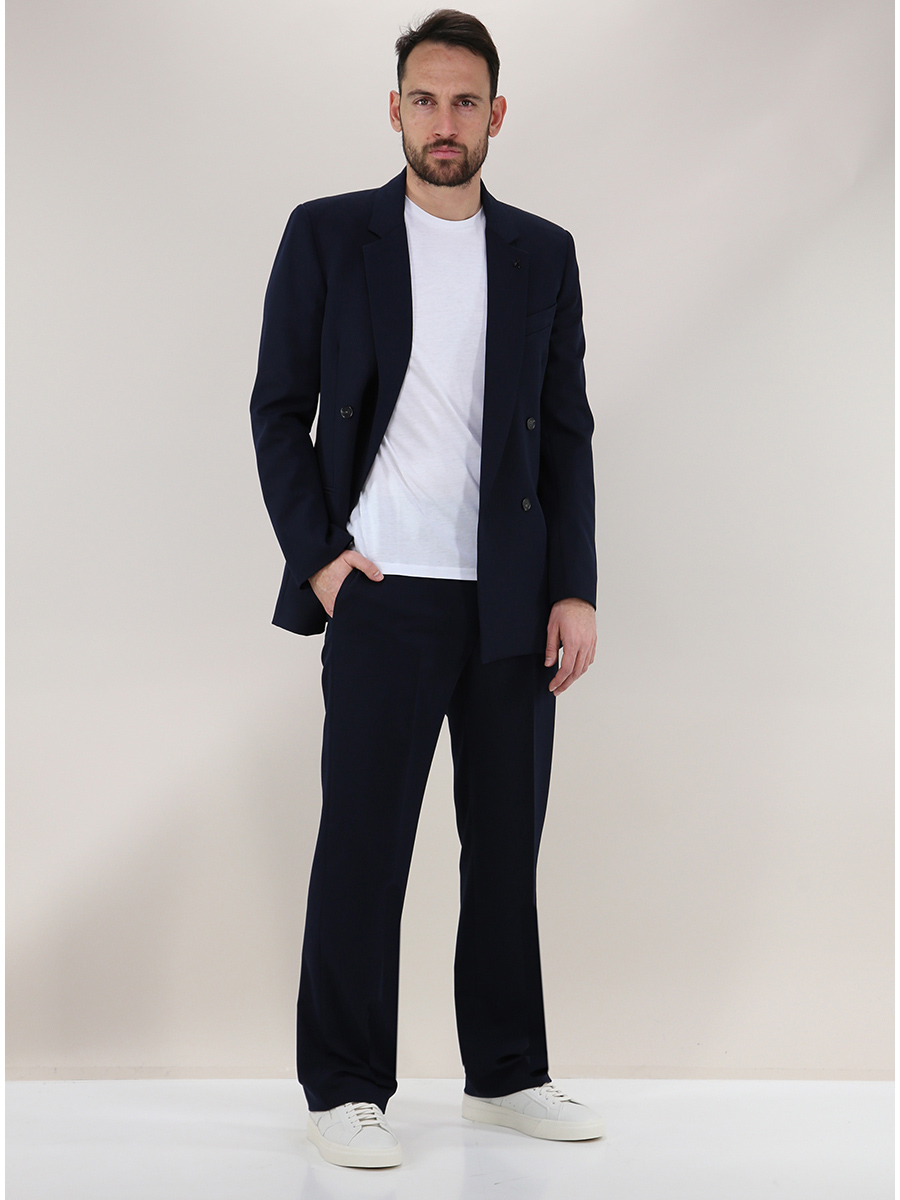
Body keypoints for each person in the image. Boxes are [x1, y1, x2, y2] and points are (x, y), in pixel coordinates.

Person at [250, 8, 602, 1170]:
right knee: (364, 846)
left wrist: (574, 586)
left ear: (497, 115)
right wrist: (321, 557)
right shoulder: (327, 234)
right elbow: (276, 408)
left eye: (463, 102)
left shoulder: (543, 251)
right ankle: (345, 1088)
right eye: (423, 99)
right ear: (393, 109)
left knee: (504, 851)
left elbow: (565, 430)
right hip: (382, 589)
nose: (443, 122)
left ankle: (506, 1075)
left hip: (511, 602)